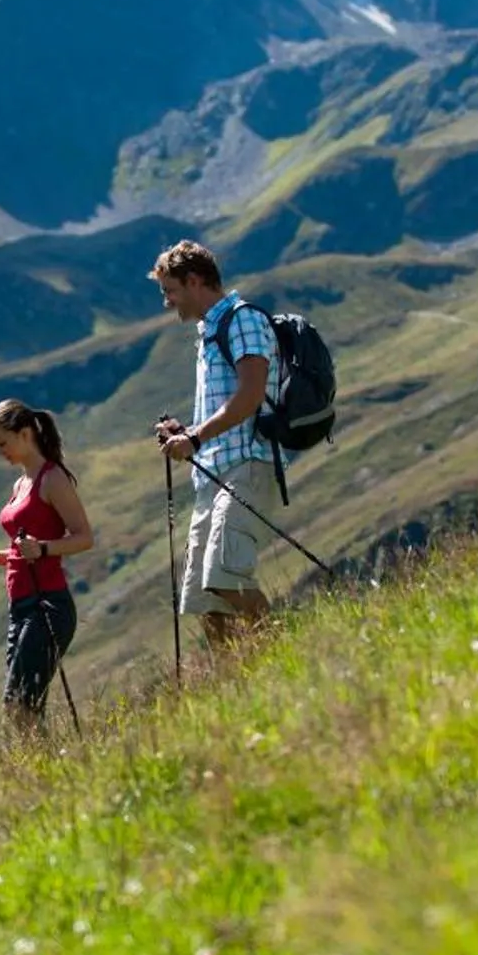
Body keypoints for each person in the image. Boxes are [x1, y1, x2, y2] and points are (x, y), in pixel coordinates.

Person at [150, 240, 278, 664]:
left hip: (247, 465)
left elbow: (251, 394)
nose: (168, 302)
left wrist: (196, 439)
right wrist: (185, 433)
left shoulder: (242, 320)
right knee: (206, 601)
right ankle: (238, 685)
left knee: (225, 578)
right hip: (213, 474)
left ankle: (288, 652)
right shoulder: (209, 332)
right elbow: (227, 405)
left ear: (194, 280)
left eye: (171, 291)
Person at [0, 399, 96, 731]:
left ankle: (48, 774)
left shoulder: (53, 478)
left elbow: (84, 537)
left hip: (47, 605)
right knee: (26, 707)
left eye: (2, 443)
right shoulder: (20, 484)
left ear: (25, 433)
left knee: (18, 706)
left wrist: (44, 548)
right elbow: (22, 553)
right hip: (20, 607)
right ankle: (50, 774)